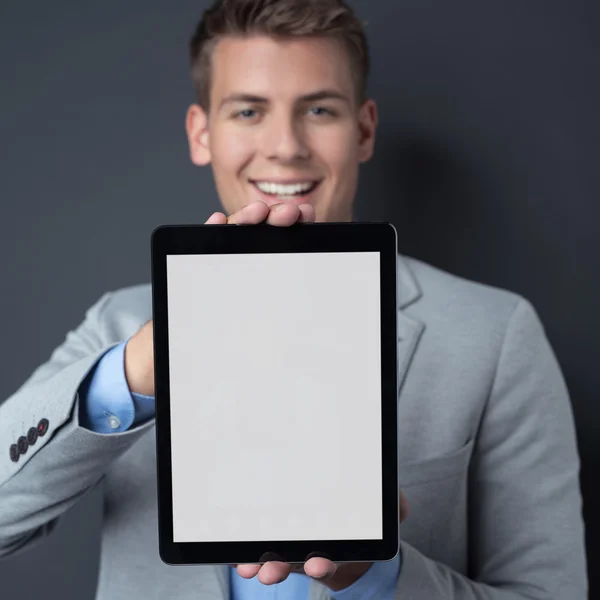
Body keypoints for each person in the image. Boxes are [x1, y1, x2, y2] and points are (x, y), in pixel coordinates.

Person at [0, 0, 588, 597]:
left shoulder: (496, 332)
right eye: (249, 110)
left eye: (320, 109)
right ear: (202, 134)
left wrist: (376, 576)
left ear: (363, 129)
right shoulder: (120, 326)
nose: (285, 146)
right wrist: (136, 372)